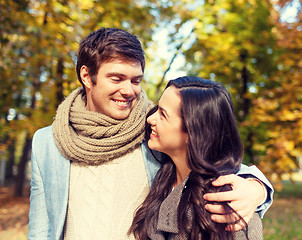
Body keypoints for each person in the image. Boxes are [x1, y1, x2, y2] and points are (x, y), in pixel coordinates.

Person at [28, 28, 273, 240]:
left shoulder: (151, 129)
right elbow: (41, 228)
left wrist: (256, 188)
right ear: (86, 76)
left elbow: (212, 160)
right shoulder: (47, 142)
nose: (128, 91)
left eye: (136, 80)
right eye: (117, 78)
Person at [129, 76, 264, 239]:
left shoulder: (227, 210)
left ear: (193, 132)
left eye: (163, 115)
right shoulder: (162, 173)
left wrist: (258, 189)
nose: (150, 118)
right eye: (157, 108)